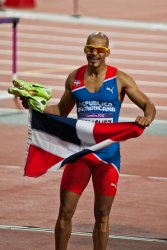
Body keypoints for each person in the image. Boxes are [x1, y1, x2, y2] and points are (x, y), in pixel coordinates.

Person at [21, 32, 156, 250]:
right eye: (90, 48)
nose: (94, 53)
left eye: (99, 50)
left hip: (107, 157)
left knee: (102, 216)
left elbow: (149, 105)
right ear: (85, 50)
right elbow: (61, 111)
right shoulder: (74, 78)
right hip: (79, 154)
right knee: (65, 211)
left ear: (107, 53)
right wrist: (37, 106)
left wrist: (147, 117)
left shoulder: (120, 79)